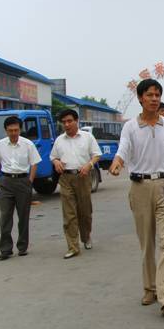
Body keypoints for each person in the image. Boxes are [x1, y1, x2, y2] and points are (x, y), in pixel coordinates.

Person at [109, 78, 164, 317]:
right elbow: (123, 148)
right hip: (140, 187)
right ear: (140, 98)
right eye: (150, 95)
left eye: (157, 95)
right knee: (147, 243)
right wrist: (117, 161)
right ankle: (150, 288)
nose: (154, 99)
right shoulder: (131, 127)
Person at [50, 109, 102, 259]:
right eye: (64, 122)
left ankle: (86, 236)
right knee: (69, 214)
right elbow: (53, 156)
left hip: (82, 177)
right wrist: (56, 162)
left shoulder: (87, 137)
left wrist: (89, 165)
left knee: (85, 212)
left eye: (69, 121)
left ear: (76, 121)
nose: (66, 124)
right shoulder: (59, 140)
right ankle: (73, 246)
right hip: (66, 178)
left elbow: (97, 155)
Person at [0, 116, 41, 260]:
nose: (13, 133)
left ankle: (22, 247)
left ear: (20, 129)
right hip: (5, 182)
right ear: (6, 130)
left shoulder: (28, 144)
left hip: (22, 181)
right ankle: (6, 249)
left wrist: (30, 181)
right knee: (5, 216)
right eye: (10, 130)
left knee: (23, 216)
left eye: (16, 130)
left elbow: (34, 163)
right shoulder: (0, 144)